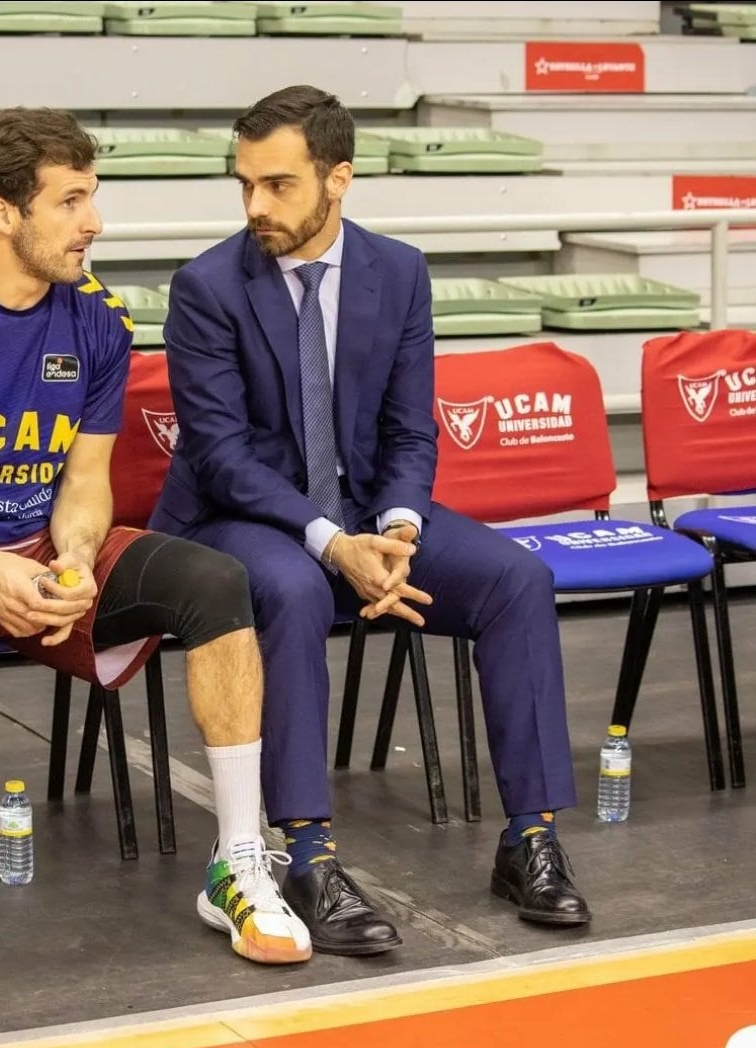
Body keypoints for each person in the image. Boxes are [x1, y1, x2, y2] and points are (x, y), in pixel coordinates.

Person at [0, 106, 311, 1013]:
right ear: (3, 213)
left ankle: (239, 863)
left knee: (216, 582)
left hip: (40, 547)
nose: (93, 221)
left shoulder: (96, 318)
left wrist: (78, 554)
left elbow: (87, 478)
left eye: (92, 197)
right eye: (71, 201)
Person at [149, 85, 592, 957]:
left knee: (516, 580)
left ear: (338, 178)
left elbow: (409, 428)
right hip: (240, 516)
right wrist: (332, 543)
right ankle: (307, 857)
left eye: (277, 185)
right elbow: (222, 455)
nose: (254, 206)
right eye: (243, 185)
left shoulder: (399, 272)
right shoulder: (207, 287)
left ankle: (530, 839)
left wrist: (397, 533)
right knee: (291, 590)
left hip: (364, 514)